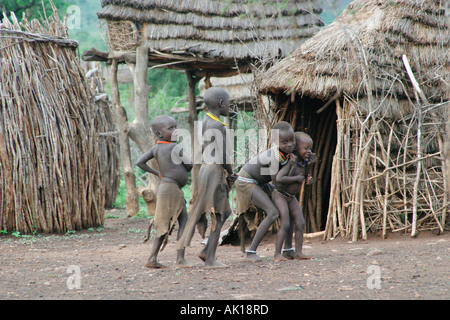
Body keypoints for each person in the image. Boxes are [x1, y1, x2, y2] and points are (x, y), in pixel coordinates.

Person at [176, 87, 236, 268]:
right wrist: (231, 173)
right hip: (214, 172)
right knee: (218, 215)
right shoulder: (218, 125)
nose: (230, 106)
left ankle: (199, 252)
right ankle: (210, 259)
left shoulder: (206, 121)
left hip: (205, 170)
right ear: (221, 104)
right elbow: (223, 155)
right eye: (229, 103)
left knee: (222, 212)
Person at [136, 115, 193, 269]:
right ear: (159, 134)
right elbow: (190, 165)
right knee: (176, 223)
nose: (175, 131)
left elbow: (139, 162)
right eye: (170, 128)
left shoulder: (156, 148)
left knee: (169, 223)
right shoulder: (175, 147)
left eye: (175, 127)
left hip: (167, 188)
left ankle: (154, 258)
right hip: (171, 190)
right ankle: (178, 259)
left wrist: (157, 172)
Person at [235, 121, 295, 261]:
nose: (289, 144)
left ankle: (287, 249)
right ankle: (251, 252)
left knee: (288, 208)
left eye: (292, 140)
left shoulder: (286, 154)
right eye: (284, 142)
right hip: (246, 181)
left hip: (259, 182)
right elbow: (277, 182)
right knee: (273, 212)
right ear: (276, 142)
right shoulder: (275, 156)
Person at [272, 132, 316, 260]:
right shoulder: (290, 161)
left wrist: (309, 170)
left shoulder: (304, 162)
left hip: (291, 197)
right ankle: (277, 254)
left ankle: (298, 252)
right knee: (285, 223)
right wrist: (296, 178)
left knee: (300, 222)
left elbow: (306, 178)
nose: (309, 151)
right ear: (296, 148)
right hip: (280, 195)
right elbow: (279, 178)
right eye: (305, 148)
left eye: (310, 148)